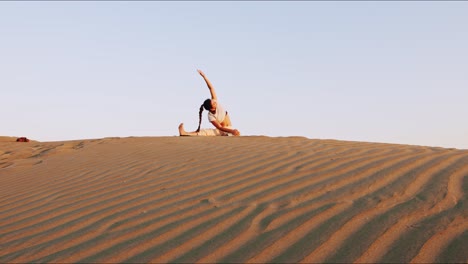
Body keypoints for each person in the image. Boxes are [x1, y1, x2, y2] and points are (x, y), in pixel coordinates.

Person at [179, 69, 241, 136]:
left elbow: (211, 88)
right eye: (213, 103)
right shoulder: (210, 116)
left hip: (228, 129)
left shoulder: (215, 101)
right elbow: (220, 127)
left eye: (213, 101)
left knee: (234, 134)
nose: (215, 102)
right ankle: (185, 133)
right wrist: (232, 131)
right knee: (204, 132)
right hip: (224, 130)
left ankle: (186, 133)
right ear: (211, 109)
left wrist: (204, 76)